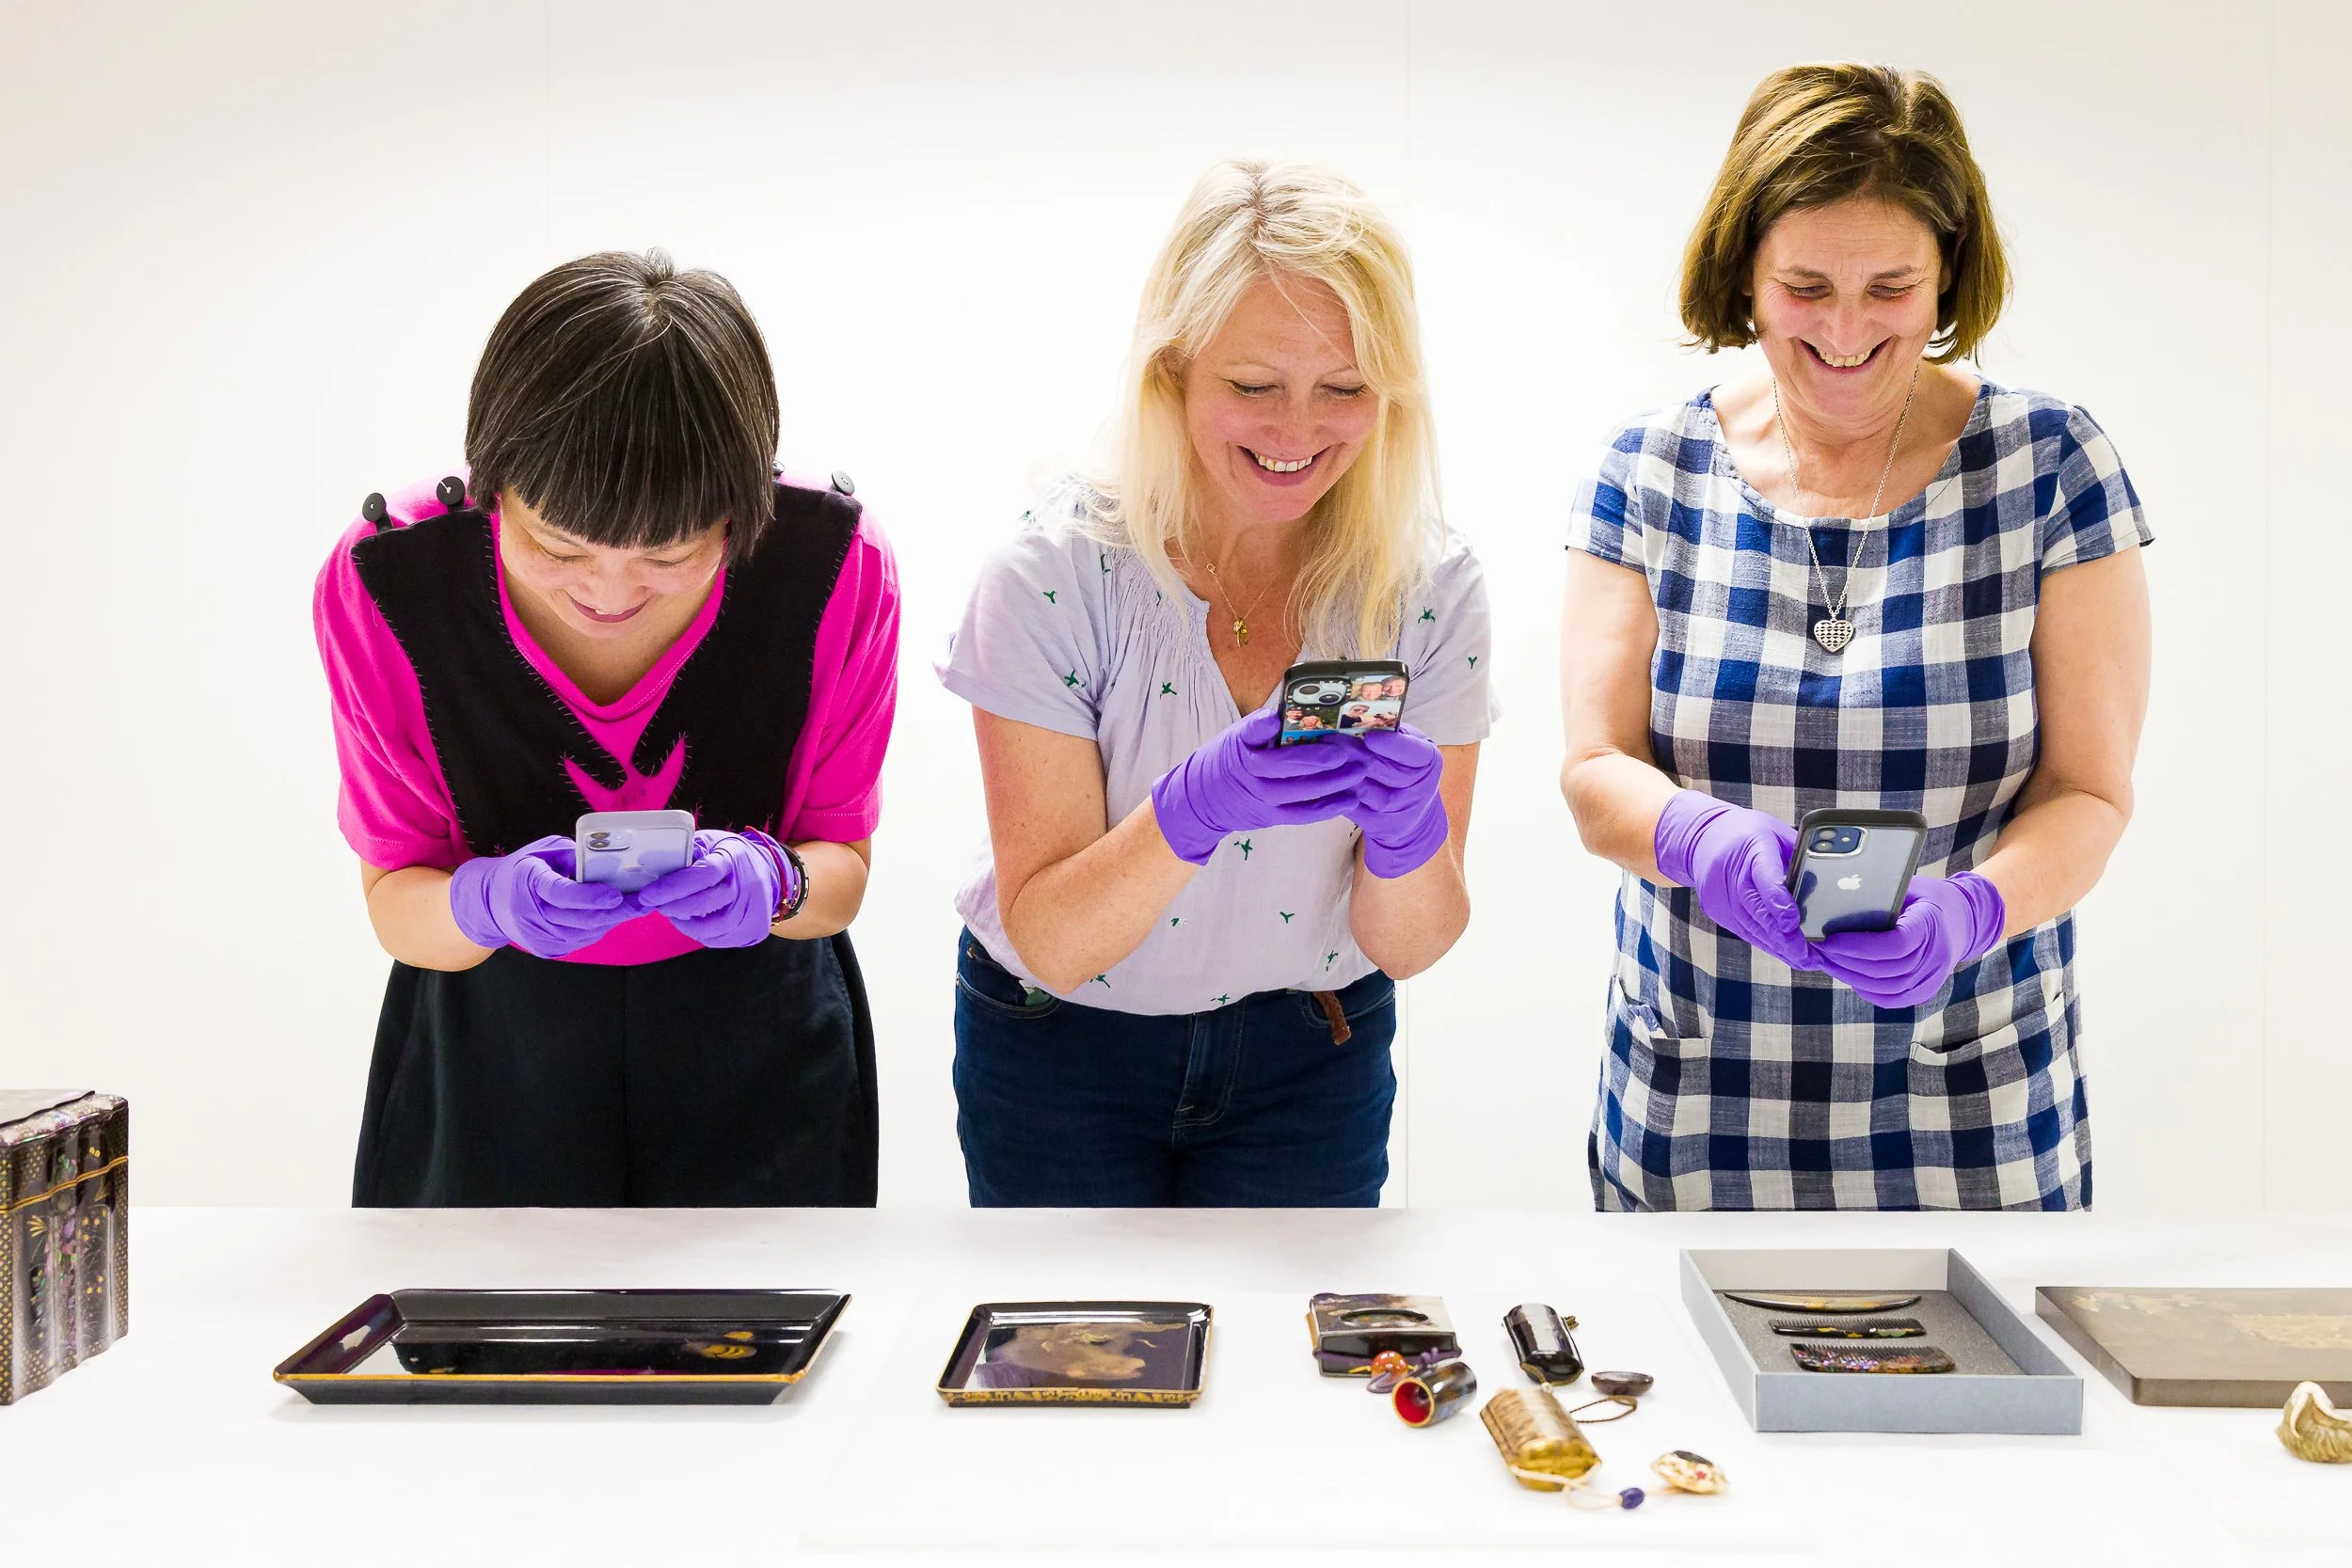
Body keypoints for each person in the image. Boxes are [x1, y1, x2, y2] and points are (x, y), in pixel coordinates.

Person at [1559, 64, 2151, 1212]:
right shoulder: (1649, 469)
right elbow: (1593, 772)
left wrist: (1972, 906)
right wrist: (1699, 840)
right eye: (1804, 285)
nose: (1842, 329)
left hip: (1971, 1103)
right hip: (1696, 1103)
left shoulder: (2051, 466)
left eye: (1889, 288)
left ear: (1948, 279)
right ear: (1743, 272)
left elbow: (2089, 791)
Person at [941, 160, 1496, 1207]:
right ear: (1172, 372)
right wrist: (1189, 811)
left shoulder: (1428, 585)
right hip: (1058, 1043)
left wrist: (1410, 833)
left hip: (1310, 1048)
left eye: (1343, 389)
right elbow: (1054, 936)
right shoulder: (1052, 572)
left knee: (1292, 1363)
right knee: (1074, 1360)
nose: (1295, 434)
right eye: (1252, 387)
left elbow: (1411, 941)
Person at [313, 250, 899, 1206]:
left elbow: (841, 873)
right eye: (557, 546)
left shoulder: (833, 562)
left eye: (670, 551)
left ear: (739, 510)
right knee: (487, 1346)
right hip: (490, 1039)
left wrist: (775, 880)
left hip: (760, 1042)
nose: (609, 591)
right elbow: (395, 901)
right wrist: (486, 904)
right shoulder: (391, 581)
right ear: (493, 482)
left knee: (762, 1343)